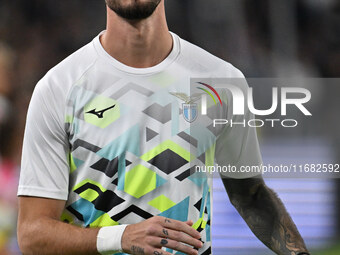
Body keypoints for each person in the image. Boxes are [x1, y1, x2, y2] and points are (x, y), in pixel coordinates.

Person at [17, 1, 310, 255]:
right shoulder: (59, 88)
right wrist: (121, 237)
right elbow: (32, 234)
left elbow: (250, 195)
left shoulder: (221, 81)